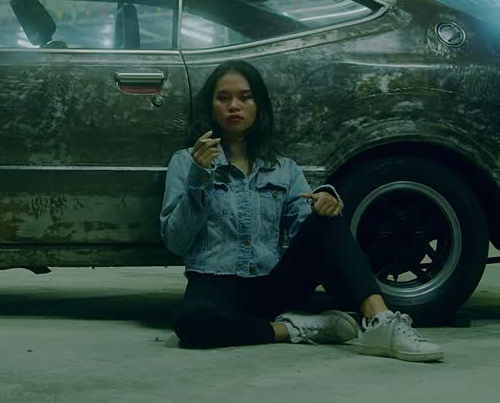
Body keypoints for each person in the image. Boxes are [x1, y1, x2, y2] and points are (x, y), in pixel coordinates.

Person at [160, 60, 443, 362]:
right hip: (214, 286)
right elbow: (175, 241)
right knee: (190, 324)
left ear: (259, 106)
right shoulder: (186, 163)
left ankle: (381, 321)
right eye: (223, 98)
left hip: (273, 286)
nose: (234, 106)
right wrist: (199, 178)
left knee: (327, 218)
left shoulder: (285, 169)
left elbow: (309, 236)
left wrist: (325, 202)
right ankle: (296, 329)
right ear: (211, 106)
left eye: (245, 97)